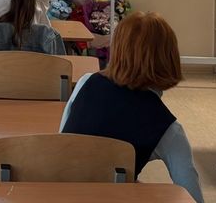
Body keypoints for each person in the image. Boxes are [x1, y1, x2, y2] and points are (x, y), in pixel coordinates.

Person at [61, 12, 204, 203]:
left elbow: (61, 140)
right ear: (169, 58)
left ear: (117, 50)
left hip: (58, 193)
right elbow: (193, 197)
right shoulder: (167, 128)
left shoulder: (86, 82)